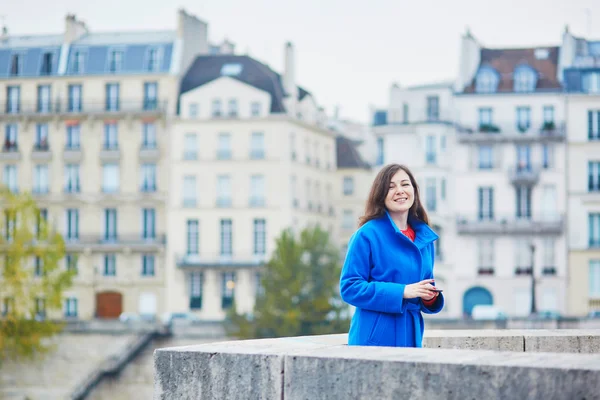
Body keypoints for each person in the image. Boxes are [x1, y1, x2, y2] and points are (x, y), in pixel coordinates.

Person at [340, 163, 444, 347]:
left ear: (414, 190)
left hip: (412, 335)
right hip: (375, 339)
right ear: (381, 195)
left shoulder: (425, 237)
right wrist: (402, 291)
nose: (399, 191)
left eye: (405, 184)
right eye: (390, 187)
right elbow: (350, 288)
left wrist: (430, 297)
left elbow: (423, 286)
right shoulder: (366, 235)